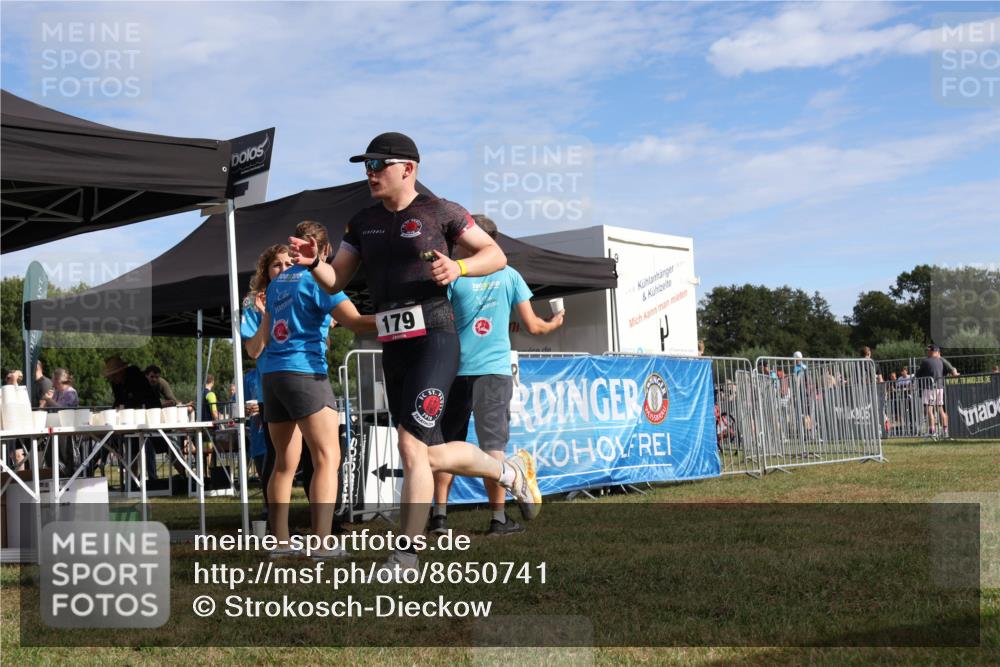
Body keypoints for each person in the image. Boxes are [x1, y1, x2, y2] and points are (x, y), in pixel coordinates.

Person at [289, 132, 542, 577]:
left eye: (378, 165)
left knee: (411, 445)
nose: (370, 174)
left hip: (436, 340)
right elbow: (337, 281)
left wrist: (458, 266)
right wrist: (314, 264)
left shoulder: (440, 211)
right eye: (366, 166)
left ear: (408, 168)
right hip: (394, 346)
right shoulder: (361, 221)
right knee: (427, 454)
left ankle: (406, 556)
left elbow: (496, 255)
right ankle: (509, 473)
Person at [431, 215, 564, 536]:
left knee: (447, 445)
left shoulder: (454, 277)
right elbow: (533, 327)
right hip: (493, 370)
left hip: (454, 369)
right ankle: (498, 519)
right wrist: (554, 322)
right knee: (493, 446)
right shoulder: (509, 275)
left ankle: (439, 518)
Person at [250, 221, 375, 558]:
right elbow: (356, 322)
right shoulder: (319, 279)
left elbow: (275, 331)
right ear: (326, 251)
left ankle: (280, 542)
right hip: (304, 374)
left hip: (272, 377)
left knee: (283, 464)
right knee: (327, 458)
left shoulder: (278, 283)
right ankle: (322, 543)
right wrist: (408, 318)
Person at [103, 355, 161, 482]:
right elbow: (118, 400)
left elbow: (140, 397)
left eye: (113, 375)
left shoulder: (134, 375)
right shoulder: (116, 383)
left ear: (120, 372)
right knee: (132, 448)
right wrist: (113, 411)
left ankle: (154, 478)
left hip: (150, 414)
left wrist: (124, 408)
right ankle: (132, 481)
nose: (112, 379)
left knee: (153, 445)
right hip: (131, 419)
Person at [915, 344, 950, 439]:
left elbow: (918, 375)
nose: (927, 352)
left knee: (929, 410)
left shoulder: (925, 361)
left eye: (929, 350)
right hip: (940, 387)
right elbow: (945, 372)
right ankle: (945, 432)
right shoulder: (941, 361)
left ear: (933, 351)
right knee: (941, 409)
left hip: (929, 387)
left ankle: (932, 431)